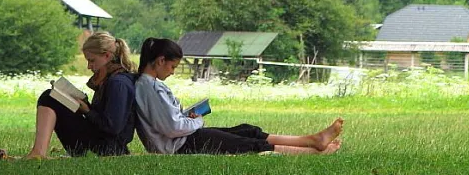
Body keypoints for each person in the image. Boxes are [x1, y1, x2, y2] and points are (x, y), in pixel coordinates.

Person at [134, 37, 343, 156]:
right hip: (182, 145)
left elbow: (171, 121)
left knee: (246, 130)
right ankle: (314, 150)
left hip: (186, 138)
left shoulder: (152, 86)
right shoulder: (148, 88)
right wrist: (197, 121)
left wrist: (189, 117)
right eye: (172, 66)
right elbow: (171, 128)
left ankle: (310, 140)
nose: (172, 71)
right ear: (160, 61)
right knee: (243, 143)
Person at [23, 32, 136, 159]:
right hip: (104, 144)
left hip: (107, 149)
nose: (89, 66)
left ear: (107, 56)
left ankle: (38, 153)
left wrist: (87, 110)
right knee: (51, 96)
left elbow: (112, 127)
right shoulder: (111, 78)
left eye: (92, 60)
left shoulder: (118, 83)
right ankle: (38, 152)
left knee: (49, 97)